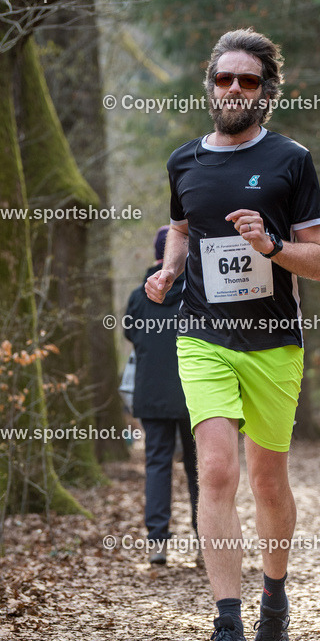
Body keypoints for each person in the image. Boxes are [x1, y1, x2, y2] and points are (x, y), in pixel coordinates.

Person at [145, 28, 320, 641]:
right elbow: (181, 227)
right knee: (217, 470)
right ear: (210, 86)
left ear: (266, 91)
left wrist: (272, 247)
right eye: (223, 78)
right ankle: (226, 626)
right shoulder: (184, 162)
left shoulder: (291, 160)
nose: (233, 89)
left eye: (246, 80)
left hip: (274, 344)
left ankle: (273, 605)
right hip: (203, 337)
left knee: (267, 478)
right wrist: (169, 270)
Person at [125, 226, 199, 565]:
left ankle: (157, 542)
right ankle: (205, 541)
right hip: (194, 393)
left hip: (151, 393)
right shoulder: (196, 291)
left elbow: (131, 333)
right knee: (199, 468)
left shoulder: (138, 297)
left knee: (157, 464)